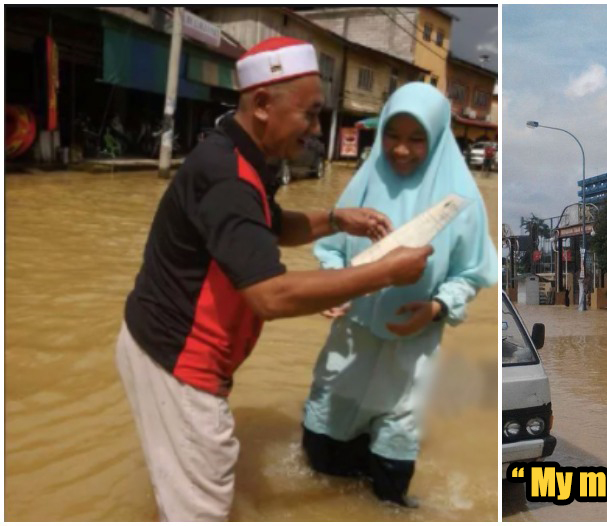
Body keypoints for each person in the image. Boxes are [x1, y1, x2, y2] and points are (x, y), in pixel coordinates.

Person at [115, 37, 432, 521]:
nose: (315, 129)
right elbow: (271, 295)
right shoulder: (228, 176)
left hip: (160, 344)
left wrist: (334, 219)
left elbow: (269, 225)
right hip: (178, 363)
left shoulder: (238, 154)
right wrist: (384, 271)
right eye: (309, 114)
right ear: (263, 105)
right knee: (203, 509)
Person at [300, 82, 497, 507]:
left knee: (389, 481)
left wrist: (436, 307)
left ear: (438, 138)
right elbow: (331, 248)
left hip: (412, 352)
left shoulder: (461, 203)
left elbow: (471, 272)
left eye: (415, 139)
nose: (401, 150)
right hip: (349, 346)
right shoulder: (364, 184)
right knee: (322, 470)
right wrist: (335, 287)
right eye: (392, 135)